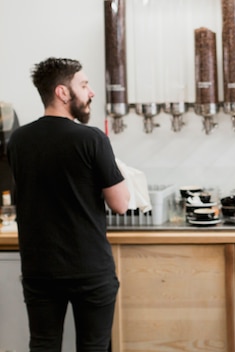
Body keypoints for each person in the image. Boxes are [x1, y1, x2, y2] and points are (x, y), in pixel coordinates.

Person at [7, 57, 130, 351]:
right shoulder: (91, 139)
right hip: (89, 268)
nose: (91, 92)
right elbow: (121, 204)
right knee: (94, 346)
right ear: (63, 92)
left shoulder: (18, 140)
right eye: (84, 85)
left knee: (44, 344)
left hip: (40, 268)